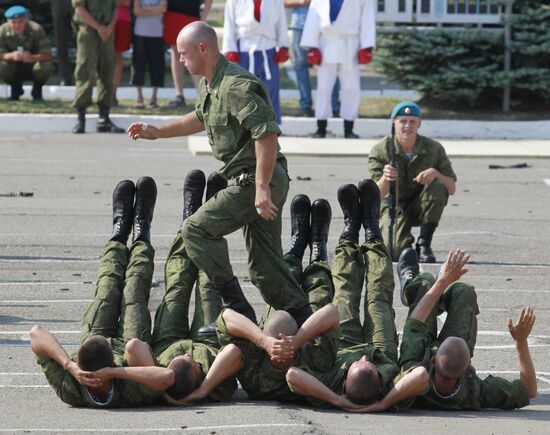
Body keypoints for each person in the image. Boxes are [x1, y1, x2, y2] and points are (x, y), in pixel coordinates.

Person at [128, 22, 312, 329]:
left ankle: (238, 311)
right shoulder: (211, 84)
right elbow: (200, 117)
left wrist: (262, 187)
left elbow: (266, 134)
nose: (181, 60)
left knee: (196, 231)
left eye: (184, 54)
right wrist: (157, 132)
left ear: (203, 49)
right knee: (265, 268)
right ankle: (306, 322)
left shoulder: (236, 86)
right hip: (255, 181)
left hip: (254, 180)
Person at [174, 196, 340, 404]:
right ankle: (318, 249)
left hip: (275, 331)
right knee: (319, 294)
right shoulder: (311, 362)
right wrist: (297, 341)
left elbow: (228, 316)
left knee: (279, 295)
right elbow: (332, 312)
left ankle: (294, 251)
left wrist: (265, 341)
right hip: (303, 336)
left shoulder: (255, 373)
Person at [29, 177, 175, 407]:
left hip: (94, 342)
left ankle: (118, 233)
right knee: (134, 291)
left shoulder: (71, 390)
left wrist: (70, 366)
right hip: (129, 349)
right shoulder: (131, 394)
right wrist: (117, 372)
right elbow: (167, 378)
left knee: (107, 289)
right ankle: (141, 230)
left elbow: (36, 333)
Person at [285, 180, 428, 411]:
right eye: (370, 366)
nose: (364, 358)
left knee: (345, 293)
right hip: (381, 349)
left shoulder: (330, 387)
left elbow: (293, 375)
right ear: (380, 385)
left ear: (343, 383)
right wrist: (384, 403)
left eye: (359, 365)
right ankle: (372, 229)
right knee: (378, 296)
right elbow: (420, 375)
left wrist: (336, 400)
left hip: (343, 345)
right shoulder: (390, 387)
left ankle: (350, 232)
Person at [395, 247, 537, 410]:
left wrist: (443, 281)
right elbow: (529, 390)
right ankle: (442, 289)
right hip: (451, 367)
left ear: (434, 359)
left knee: (425, 283)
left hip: (421, 352)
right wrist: (521, 341)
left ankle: (412, 288)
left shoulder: (414, 370)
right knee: (464, 291)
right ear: (468, 366)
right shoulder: (474, 391)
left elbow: (416, 321)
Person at [368, 101, 457, 263]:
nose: (407, 126)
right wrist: (385, 178)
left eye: (412, 121)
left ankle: (424, 244)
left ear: (419, 124)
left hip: (421, 205)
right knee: (394, 253)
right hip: (393, 206)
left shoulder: (434, 148)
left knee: (438, 186)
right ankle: (404, 243)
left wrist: (436, 173)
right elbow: (377, 195)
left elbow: (451, 188)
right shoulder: (380, 150)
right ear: (394, 122)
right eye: (402, 121)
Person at [300, 0, 375, 138]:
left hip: (350, 43)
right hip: (326, 42)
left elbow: (367, 18)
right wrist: (312, 46)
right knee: (323, 87)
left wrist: (367, 46)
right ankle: (321, 127)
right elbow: (313, 18)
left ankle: (349, 128)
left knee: (351, 87)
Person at [223, 0, 289, 124]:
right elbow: (229, 24)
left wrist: (283, 47)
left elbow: (281, 23)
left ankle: (271, 127)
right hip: (243, 52)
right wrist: (230, 49)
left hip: (268, 51)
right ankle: (241, 127)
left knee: (270, 91)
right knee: (242, 91)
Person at [72, 0, 125, 134]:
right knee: (85, 73)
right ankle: (81, 119)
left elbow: (115, 9)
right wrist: (99, 27)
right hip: (88, 32)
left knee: (107, 72)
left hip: (107, 33)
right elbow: (79, 9)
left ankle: (104, 118)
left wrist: (110, 28)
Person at [284, 0, 340, 118]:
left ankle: (334, 106)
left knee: (330, 65)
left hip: (324, 27)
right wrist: (302, 1)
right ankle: (305, 106)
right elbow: (283, 3)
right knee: (301, 66)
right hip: (299, 25)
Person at [164, 0, 212, 108]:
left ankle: (202, 96)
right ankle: (179, 95)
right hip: (172, 15)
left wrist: (204, 18)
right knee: (176, 54)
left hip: (191, 17)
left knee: (194, 57)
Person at [0, 5, 52, 101]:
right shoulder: (2, 31)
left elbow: (48, 55)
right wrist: (11, 56)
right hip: (12, 66)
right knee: (2, 66)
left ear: (26, 20)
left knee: (46, 66)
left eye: (20, 22)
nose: (17, 25)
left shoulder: (36, 29)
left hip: (32, 66)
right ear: (8, 22)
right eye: (13, 22)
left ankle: (37, 91)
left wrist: (32, 57)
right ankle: (15, 89)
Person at [132, 0, 167, 109]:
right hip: (140, 32)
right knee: (139, 65)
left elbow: (163, 9)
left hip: (157, 33)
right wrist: (155, 10)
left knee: (157, 65)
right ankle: (139, 97)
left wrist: (145, 9)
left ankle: (154, 98)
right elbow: (136, 11)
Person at [113, 0, 132, 106]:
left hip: (122, 19)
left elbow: (127, 2)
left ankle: (113, 95)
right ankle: (103, 94)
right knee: (102, 58)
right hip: (103, 20)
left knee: (117, 57)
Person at [51, 0, 74, 85]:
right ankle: (65, 76)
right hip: (59, 3)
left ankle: (88, 76)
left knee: (85, 38)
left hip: (81, 3)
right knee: (61, 41)